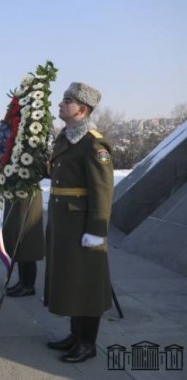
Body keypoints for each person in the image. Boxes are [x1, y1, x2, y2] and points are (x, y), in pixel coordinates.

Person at [44, 82, 114, 363]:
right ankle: (75, 335)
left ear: (82, 109)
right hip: (64, 224)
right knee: (71, 280)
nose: (61, 104)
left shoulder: (94, 143)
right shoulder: (67, 138)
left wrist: (96, 231)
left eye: (67, 101)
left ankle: (88, 343)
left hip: (82, 226)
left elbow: (103, 190)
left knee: (87, 283)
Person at [3, 193, 45, 297]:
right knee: (17, 239)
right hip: (17, 195)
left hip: (28, 196)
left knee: (27, 242)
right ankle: (22, 281)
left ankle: (28, 285)